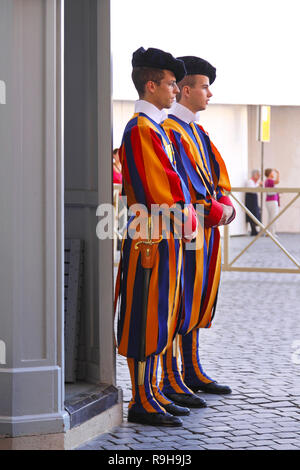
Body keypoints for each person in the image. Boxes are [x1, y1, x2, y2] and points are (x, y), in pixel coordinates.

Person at [114, 47, 199, 427]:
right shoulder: (141, 128)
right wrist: (185, 214)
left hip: (163, 238)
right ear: (151, 85)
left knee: (161, 316)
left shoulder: (154, 128)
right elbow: (156, 187)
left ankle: (152, 392)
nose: (174, 90)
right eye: (169, 84)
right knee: (144, 318)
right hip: (150, 238)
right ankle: (140, 399)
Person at [162, 55, 235, 404]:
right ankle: (170, 376)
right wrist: (214, 210)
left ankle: (192, 369)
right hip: (184, 231)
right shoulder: (171, 130)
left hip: (205, 231)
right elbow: (183, 187)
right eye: (205, 87)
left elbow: (215, 178)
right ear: (185, 89)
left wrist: (223, 203)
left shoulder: (196, 130)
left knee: (197, 297)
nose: (210, 94)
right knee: (178, 300)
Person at [245, 169, 261, 236]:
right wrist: (258, 185)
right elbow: (251, 190)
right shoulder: (250, 182)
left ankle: (254, 229)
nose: (259, 176)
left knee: (255, 213)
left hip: (254, 199)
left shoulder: (255, 182)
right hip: (250, 200)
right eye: (258, 175)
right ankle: (253, 230)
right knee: (251, 213)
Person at [264, 168, 280, 236]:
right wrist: (278, 174)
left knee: (271, 217)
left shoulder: (267, 181)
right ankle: (272, 233)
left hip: (269, 200)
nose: (273, 174)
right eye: (272, 173)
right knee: (273, 217)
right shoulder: (269, 180)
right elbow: (277, 181)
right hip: (272, 201)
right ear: (270, 174)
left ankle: (269, 232)